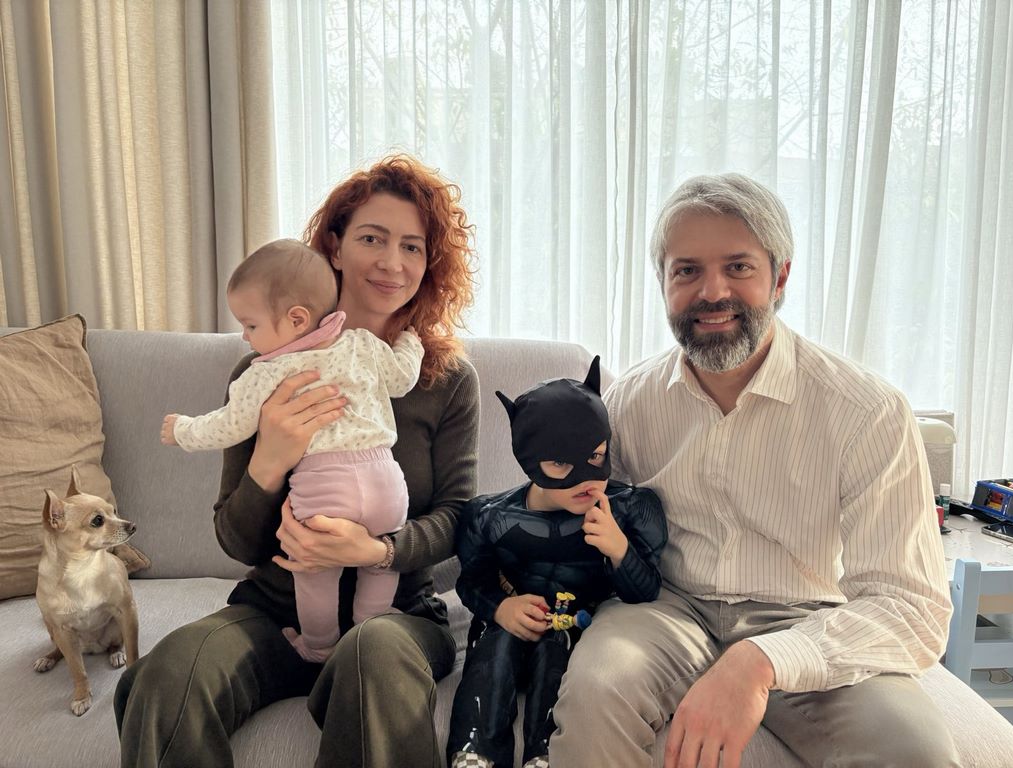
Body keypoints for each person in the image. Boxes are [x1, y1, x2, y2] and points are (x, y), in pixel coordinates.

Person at [548, 174, 957, 768]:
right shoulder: (627, 404)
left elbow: (911, 606)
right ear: (662, 283)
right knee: (596, 690)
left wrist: (761, 661)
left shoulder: (868, 412)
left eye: (738, 267)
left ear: (780, 277)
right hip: (664, 608)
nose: (712, 292)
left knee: (916, 751)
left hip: (806, 618)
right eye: (687, 270)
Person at [115, 154, 480, 768]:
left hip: (396, 617)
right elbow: (236, 540)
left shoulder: (444, 380)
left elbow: (460, 518)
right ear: (334, 246)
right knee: (169, 675)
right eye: (372, 238)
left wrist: (376, 551)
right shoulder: (262, 369)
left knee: (374, 655)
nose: (392, 262)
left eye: (412, 247)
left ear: (429, 264)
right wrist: (270, 460)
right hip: (275, 612)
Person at [161, 238, 424, 663]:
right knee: (379, 567)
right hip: (385, 480)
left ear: (296, 318)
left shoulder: (266, 372)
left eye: (250, 325)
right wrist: (410, 343)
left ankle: (319, 645)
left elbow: (228, 425)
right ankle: (371, 624)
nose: (244, 337)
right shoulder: (361, 344)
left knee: (314, 570)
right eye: (371, 238)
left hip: (325, 488)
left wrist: (183, 430)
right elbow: (402, 379)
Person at [447, 356, 667, 768]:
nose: (584, 477)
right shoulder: (489, 517)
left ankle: (546, 756)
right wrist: (501, 607)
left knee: (557, 648)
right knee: (496, 643)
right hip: (507, 630)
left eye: (595, 456)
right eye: (561, 464)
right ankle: (474, 754)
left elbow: (646, 592)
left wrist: (619, 549)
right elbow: (470, 583)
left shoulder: (632, 510)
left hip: (576, 633)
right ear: (530, 460)